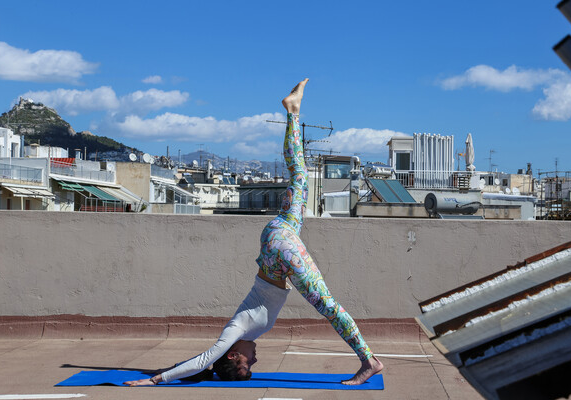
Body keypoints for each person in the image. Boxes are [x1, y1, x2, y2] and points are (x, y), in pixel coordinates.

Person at [124, 79, 383, 387]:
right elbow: (205, 366)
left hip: (280, 252)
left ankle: (370, 361)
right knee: (300, 176)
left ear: (233, 355)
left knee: (328, 305)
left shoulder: (233, 333)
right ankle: (293, 112)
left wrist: (156, 379)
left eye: (248, 364)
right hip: (277, 238)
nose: (256, 359)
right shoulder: (240, 337)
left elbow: (205, 359)